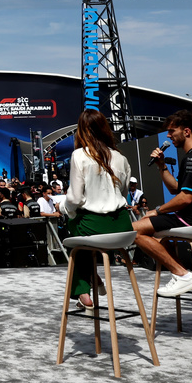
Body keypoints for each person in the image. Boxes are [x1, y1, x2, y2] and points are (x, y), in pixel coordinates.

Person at [132, 111, 192, 298]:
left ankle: (182, 274)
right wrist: (161, 166)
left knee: (133, 231)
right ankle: (182, 273)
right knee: (163, 241)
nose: (168, 136)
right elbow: (176, 190)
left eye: (172, 131)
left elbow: (185, 198)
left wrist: (157, 211)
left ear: (186, 131)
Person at [62, 109, 133, 310]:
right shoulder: (121, 158)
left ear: (81, 131)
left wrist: (67, 209)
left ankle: (84, 288)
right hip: (123, 226)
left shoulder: (79, 155)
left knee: (74, 231)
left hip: (95, 225)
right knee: (81, 236)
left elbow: (75, 198)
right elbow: (124, 193)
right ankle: (92, 278)